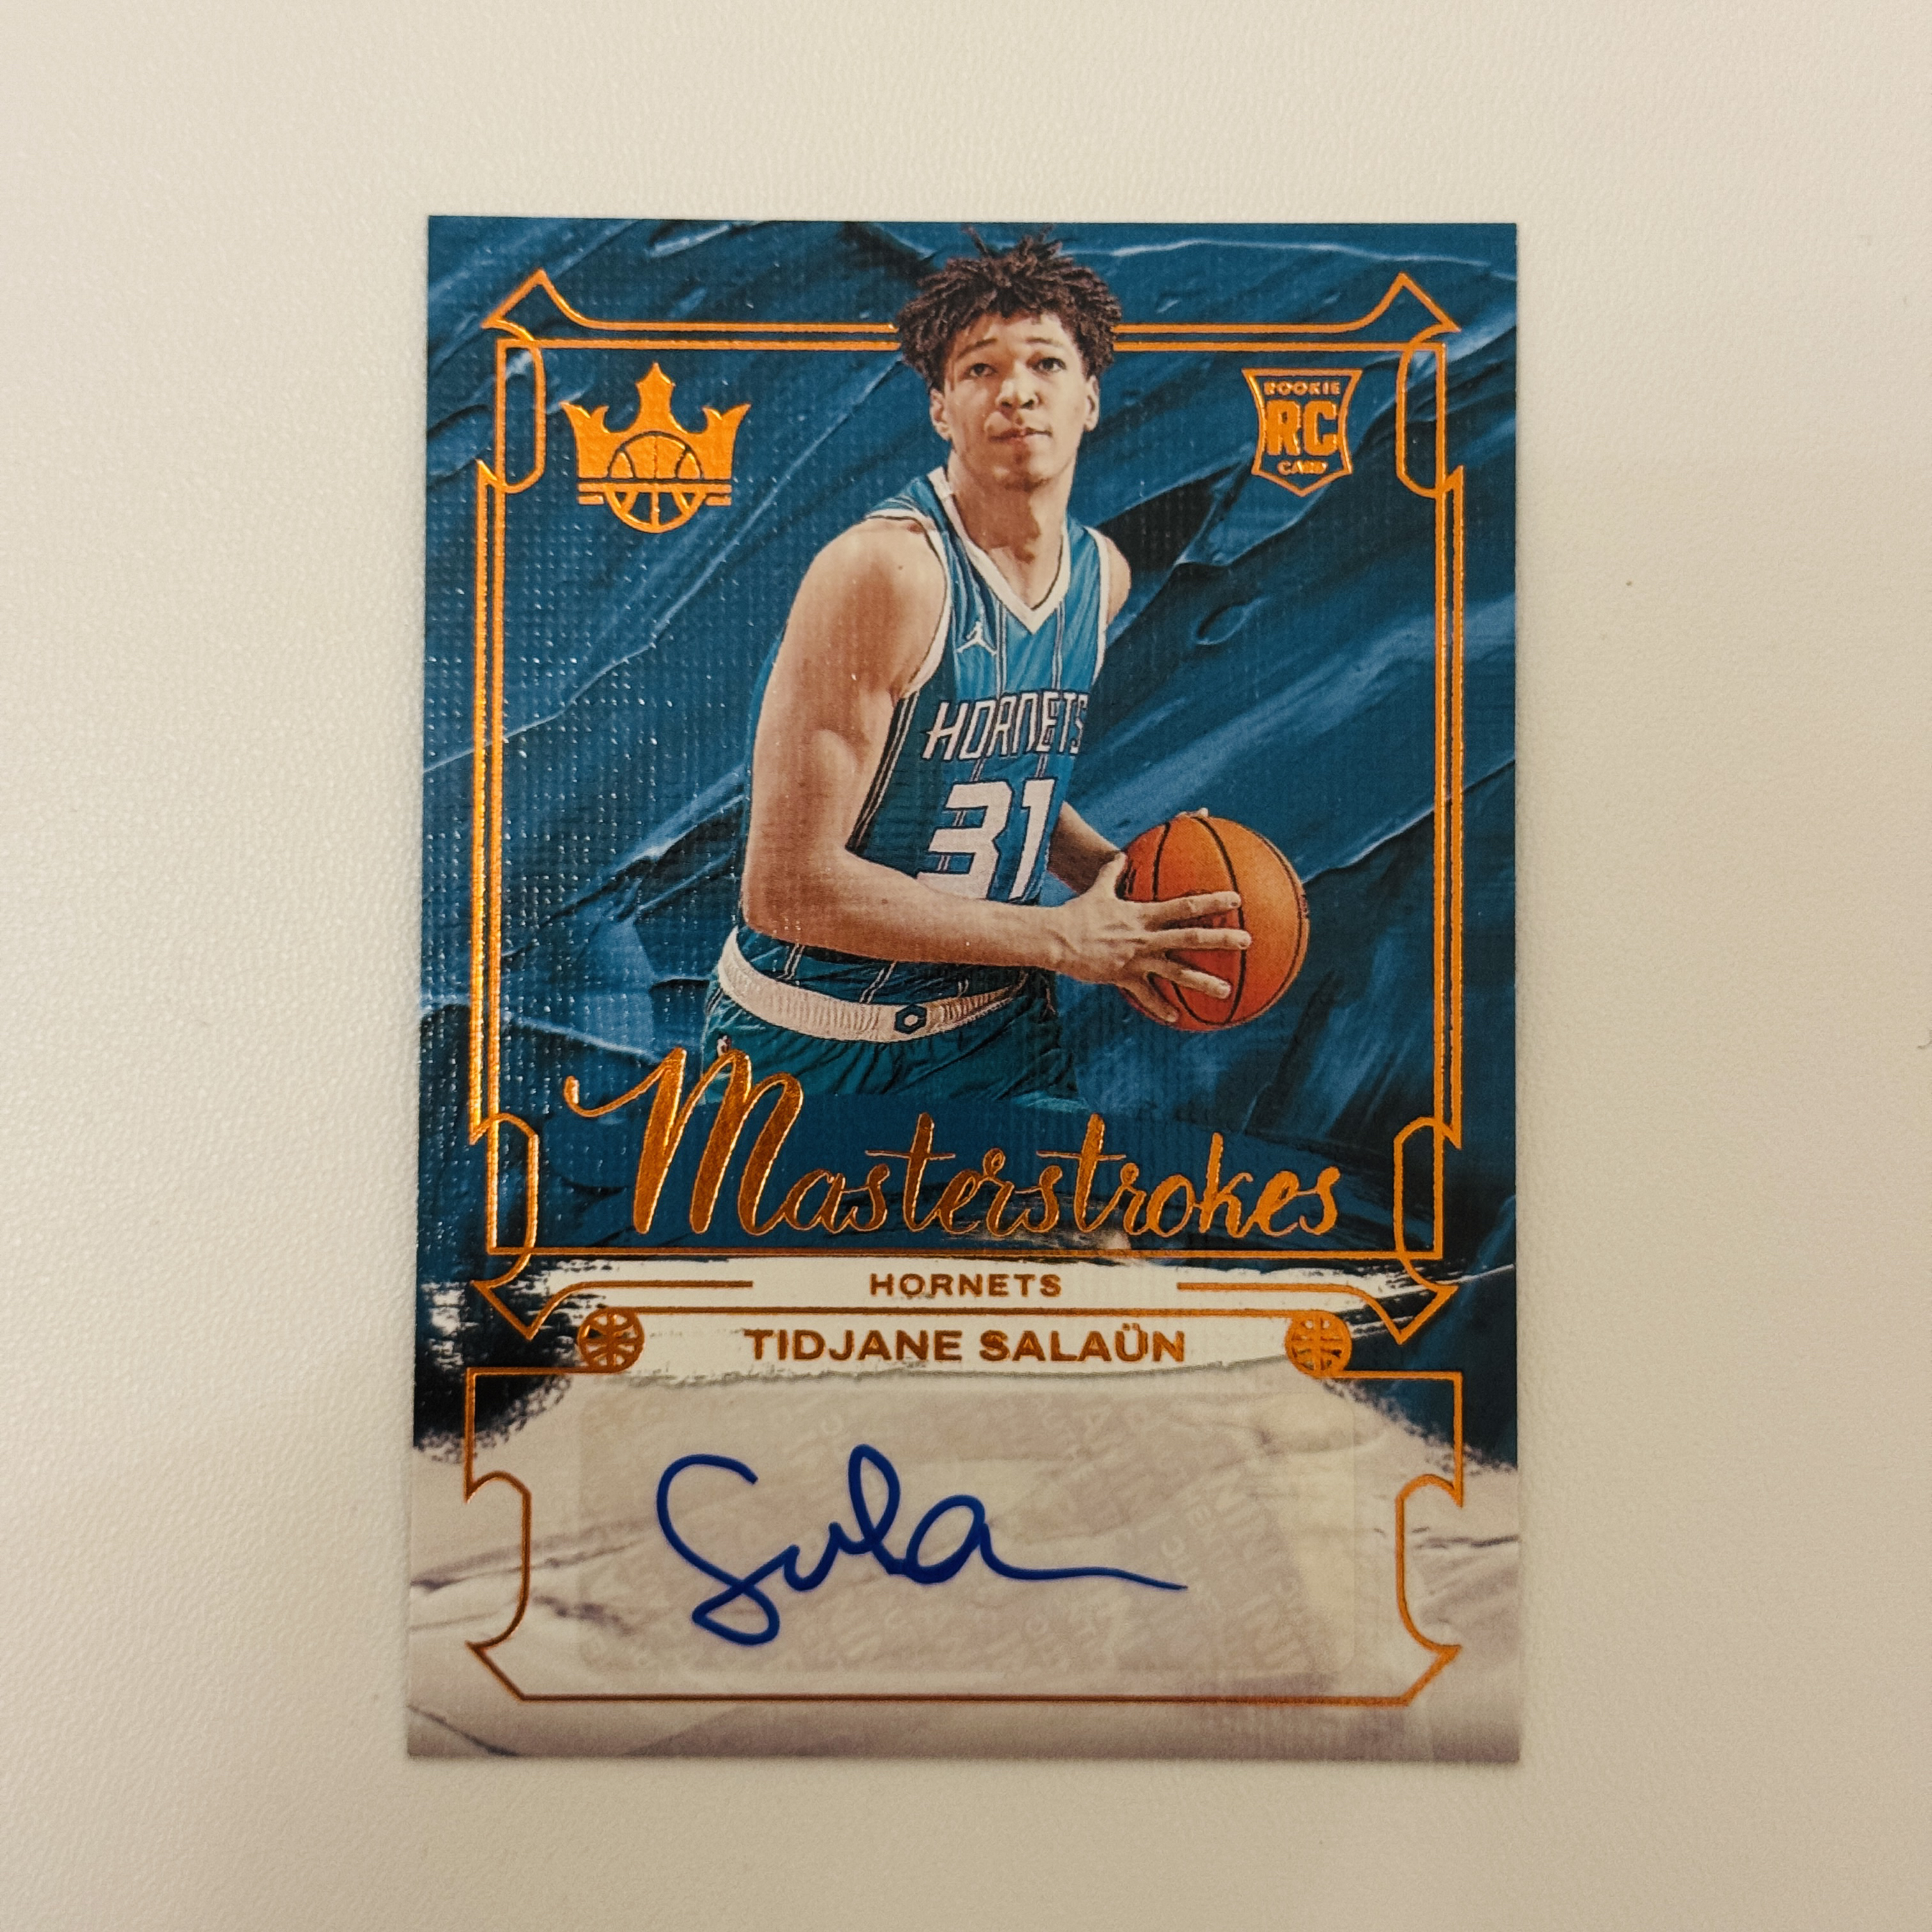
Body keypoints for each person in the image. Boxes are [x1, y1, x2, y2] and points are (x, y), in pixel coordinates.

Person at [702, 235, 1248, 1103]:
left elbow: (988, 770)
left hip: (1001, 1030)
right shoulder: (885, 573)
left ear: (1091, 397)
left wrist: (1120, 883)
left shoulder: (1098, 576)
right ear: (940, 409)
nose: (1017, 391)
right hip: (820, 1037)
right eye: (981, 369)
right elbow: (788, 889)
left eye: (1046, 363)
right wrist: (1063, 940)